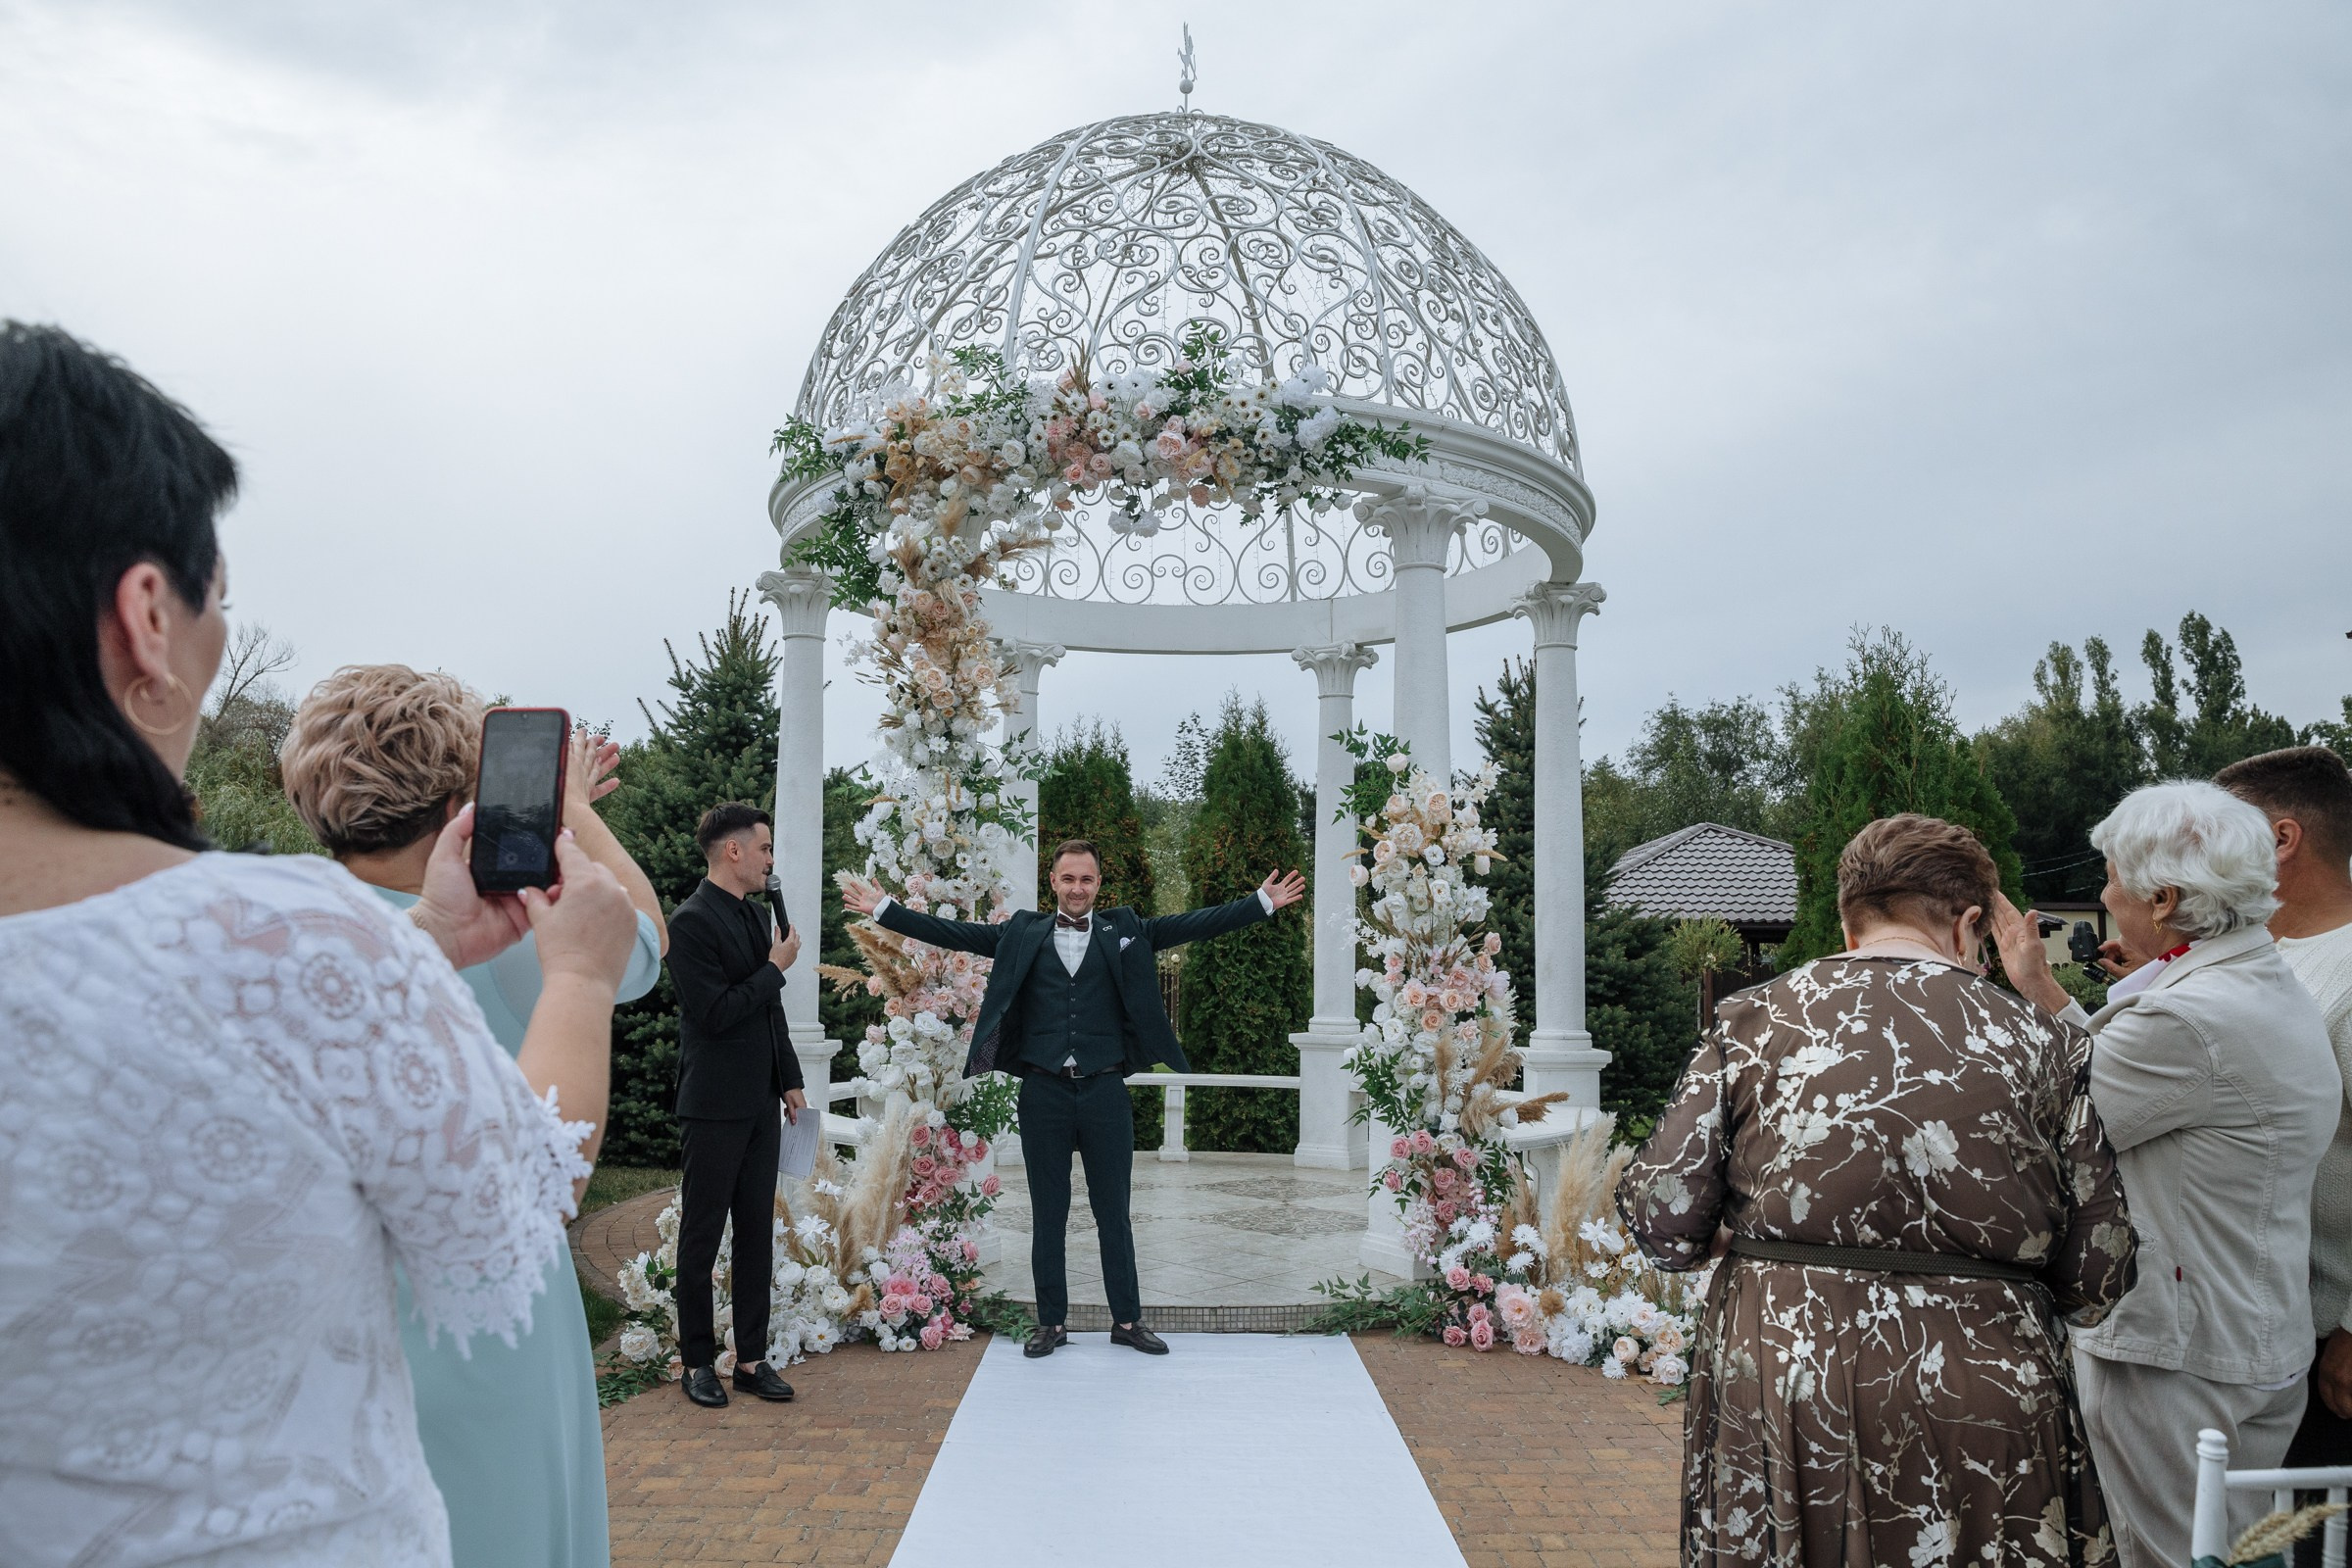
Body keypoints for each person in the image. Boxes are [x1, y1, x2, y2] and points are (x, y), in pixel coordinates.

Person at [0, 319, 639, 1566]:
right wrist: (574, 979)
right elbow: (519, 1206)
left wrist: (423, 948)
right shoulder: (287, 939)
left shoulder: (335, 941)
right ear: (145, 616)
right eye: (214, 602)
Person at [1620, 812, 2135, 1567]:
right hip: (1986, 1382)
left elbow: (1661, 1213)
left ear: (1847, 917)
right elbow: (2101, 1272)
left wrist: (1736, 1239)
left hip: (1785, 1372)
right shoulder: (2049, 1041)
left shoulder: (1753, 1019)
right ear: (1968, 924)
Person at [279, 662, 670, 1568]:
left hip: (345, 1319)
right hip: (495, 1305)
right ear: (472, 789)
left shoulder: (288, 930)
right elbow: (639, 942)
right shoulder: (528, 926)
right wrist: (570, 808)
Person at [1994, 780, 2339, 1568]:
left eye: (2112, 878)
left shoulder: (2185, 1019)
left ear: (2164, 898)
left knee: (2179, 1557)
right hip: (2249, 1332)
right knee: (2234, 1550)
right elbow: (2130, 1081)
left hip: (2176, 1354)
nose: (2105, 896)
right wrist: (2042, 991)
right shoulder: (2257, 979)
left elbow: (2054, 1127)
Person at [843, 841, 1307, 1358]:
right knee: (1049, 1212)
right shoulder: (1022, 932)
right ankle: (1052, 1323)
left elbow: (1192, 924)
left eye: (1086, 880)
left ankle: (1127, 1321)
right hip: (1043, 1093)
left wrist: (1259, 903)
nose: (1078, 888)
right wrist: (885, 910)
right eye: (1069, 879)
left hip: (1106, 1090)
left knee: (1115, 1213)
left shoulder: (1126, 929)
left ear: (1099, 884)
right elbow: (956, 934)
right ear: (1053, 882)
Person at [2213, 749, 2352, 1480]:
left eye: (2218, 833)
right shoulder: (2266, 956)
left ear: (2281, 840)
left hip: (2332, 1348)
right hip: (2264, 1337)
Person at [666, 802, 808, 1409]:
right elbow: (716, 1013)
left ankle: (750, 1358)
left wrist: (790, 1080)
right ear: (734, 851)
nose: (771, 859)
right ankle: (697, 1360)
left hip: (759, 1103)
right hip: (712, 1104)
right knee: (700, 1238)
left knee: (757, 1233)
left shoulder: (754, 919)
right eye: (766, 848)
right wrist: (775, 969)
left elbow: (768, 1011)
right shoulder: (689, 923)